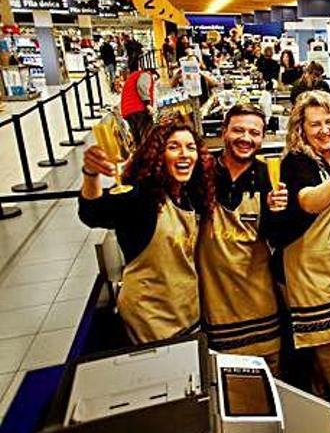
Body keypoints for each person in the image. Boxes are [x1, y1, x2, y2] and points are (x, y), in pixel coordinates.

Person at [269, 91, 330, 433]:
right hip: (307, 270)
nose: (324, 130)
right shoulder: (297, 162)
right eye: (315, 124)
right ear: (301, 129)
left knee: (328, 343)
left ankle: (322, 402)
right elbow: (309, 201)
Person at [78, 116, 214, 343]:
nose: (184, 154)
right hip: (149, 314)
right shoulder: (141, 197)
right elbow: (92, 213)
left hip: (186, 307)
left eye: (190, 148)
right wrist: (90, 174)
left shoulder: (188, 194)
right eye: (173, 147)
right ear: (157, 155)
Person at [197, 104, 287, 375]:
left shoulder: (268, 177)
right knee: (225, 375)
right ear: (223, 132)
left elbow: (278, 238)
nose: (246, 138)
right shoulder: (201, 172)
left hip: (259, 296)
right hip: (215, 299)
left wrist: (275, 212)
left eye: (254, 132)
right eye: (238, 130)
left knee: (268, 372)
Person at [120, 58, 157, 146]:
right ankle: (149, 157)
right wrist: (147, 104)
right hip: (138, 110)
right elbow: (141, 86)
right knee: (148, 137)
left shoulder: (133, 76)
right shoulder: (146, 74)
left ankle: (141, 157)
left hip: (128, 111)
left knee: (138, 140)